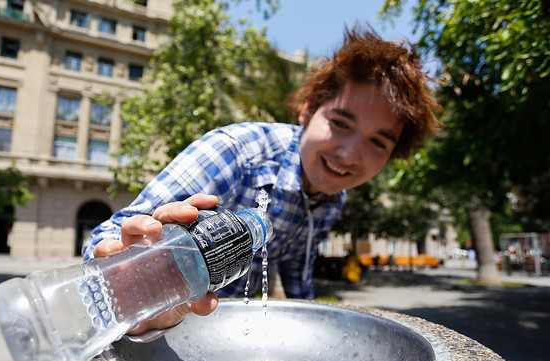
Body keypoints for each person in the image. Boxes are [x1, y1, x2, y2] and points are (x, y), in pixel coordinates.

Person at [84, 27, 441, 337]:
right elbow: (109, 238)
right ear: (308, 109)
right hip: (154, 331)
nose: (349, 154)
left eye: (377, 142)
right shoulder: (235, 153)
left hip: (226, 334)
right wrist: (124, 267)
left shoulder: (334, 198)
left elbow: (298, 276)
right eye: (341, 124)